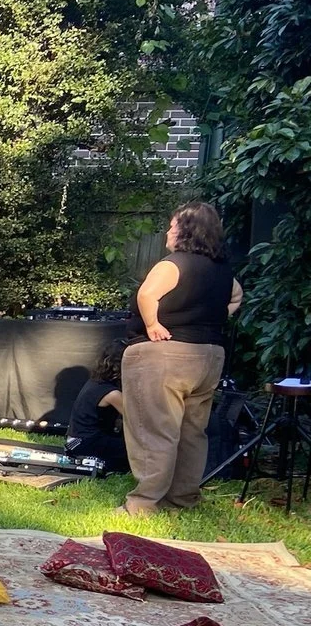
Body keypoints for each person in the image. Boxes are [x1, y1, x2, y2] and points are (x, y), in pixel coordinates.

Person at [119, 201, 243, 515]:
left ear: (186, 230)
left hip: (165, 356)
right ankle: (183, 498)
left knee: (155, 429)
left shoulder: (172, 264)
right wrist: (214, 319)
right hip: (208, 356)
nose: (168, 230)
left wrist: (153, 325)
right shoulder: (222, 270)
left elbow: (147, 294)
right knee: (192, 432)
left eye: (172, 225)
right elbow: (237, 296)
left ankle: (144, 504)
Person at [65, 340, 129, 475]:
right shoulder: (112, 394)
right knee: (136, 452)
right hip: (84, 444)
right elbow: (137, 420)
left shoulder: (95, 382)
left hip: (75, 441)